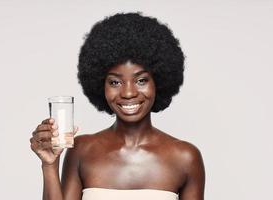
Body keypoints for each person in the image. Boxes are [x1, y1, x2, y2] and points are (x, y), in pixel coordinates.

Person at [30, 12, 205, 200]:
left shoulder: (186, 158)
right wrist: (49, 165)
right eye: (115, 82)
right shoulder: (81, 150)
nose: (128, 93)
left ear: (159, 82)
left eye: (141, 80)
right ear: (100, 85)